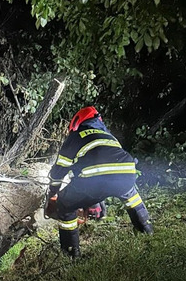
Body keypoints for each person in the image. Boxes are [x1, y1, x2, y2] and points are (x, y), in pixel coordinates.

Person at [45, 106, 153, 257]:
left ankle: (71, 253)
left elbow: (58, 172)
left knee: (65, 203)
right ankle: (146, 229)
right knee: (131, 195)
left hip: (95, 180)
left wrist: (53, 192)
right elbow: (108, 170)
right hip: (127, 173)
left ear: (76, 123)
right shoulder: (108, 136)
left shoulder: (75, 137)